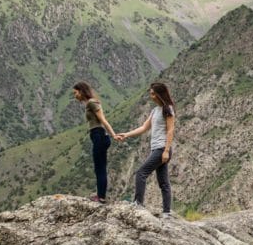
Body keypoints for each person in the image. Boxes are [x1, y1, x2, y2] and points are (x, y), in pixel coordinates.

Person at [117, 82, 176, 215]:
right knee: (163, 182)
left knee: (141, 173)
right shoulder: (155, 111)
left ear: (160, 94)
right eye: (151, 93)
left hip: (162, 148)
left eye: (153, 94)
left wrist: (166, 150)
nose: (151, 96)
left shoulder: (168, 109)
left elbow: (171, 130)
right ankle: (166, 212)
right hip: (156, 149)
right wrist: (126, 134)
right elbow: (144, 127)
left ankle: (138, 203)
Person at [72, 81, 116, 203]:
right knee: (99, 167)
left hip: (99, 135)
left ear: (81, 91)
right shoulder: (90, 103)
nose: (75, 96)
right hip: (98, 136)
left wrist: (114, 135)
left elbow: (103, 120)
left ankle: (101, 197)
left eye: (75, 93)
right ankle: (100, 195)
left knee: (100, 168)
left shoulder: (92, 103)